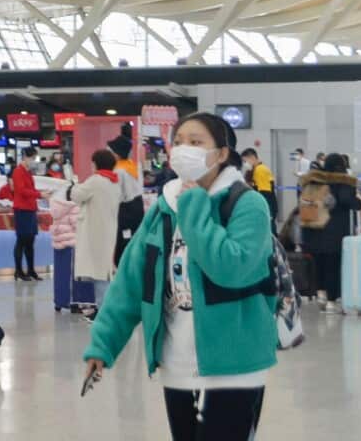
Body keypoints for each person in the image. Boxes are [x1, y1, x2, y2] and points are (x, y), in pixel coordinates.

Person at [84, 112, 276, 440]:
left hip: (234, 366)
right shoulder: (164, 208)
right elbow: (130, 282)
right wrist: (102, 345)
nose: (184, 149)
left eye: (196, 142)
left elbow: (229, 268)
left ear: (222, 153)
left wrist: (195, 204)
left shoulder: (247, 205)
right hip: (177, 366)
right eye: (179, 142)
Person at [300, 154, 361, 313]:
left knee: (319, 264)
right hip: (334, 234)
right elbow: (348, 201)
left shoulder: (313, 181)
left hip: (313, 232)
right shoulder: (343, 182)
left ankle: (320, 294)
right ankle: (331, 301)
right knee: (333, 266)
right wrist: (358, 202)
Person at [71, 149, 122, 317]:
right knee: (104, 272)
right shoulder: (114, 182)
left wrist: (73, 185)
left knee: (99, 274)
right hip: (108, 231)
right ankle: (105, 308)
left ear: (97, 163)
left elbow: (77, 195)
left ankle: (103, 311)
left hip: (95, 232)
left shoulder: (96, 180)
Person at [3, 147, 44, 281]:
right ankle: (19, 271)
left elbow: (30, 189)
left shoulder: (28, 172)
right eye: (32, 158)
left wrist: (41, 194)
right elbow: (22, 191)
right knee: (21, 241)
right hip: (22, 210)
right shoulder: (18, 172)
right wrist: (40, 194)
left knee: (30, 241)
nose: (34, 161)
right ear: (25, 157)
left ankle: (31, 270)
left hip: (30, 209)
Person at [241, 148, 277, 232]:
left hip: (268, 207)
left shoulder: (260, 170)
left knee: (270, 232)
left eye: (245, 161)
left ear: (252, 157)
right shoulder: (256, 169)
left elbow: (265, 193)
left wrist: (267, 211)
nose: (245, 164)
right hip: (267, 206)